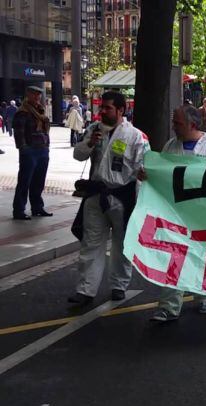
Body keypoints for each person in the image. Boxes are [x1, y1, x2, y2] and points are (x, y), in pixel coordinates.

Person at [68, 91, 149, 305]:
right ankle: (85, 289)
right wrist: (90, 144)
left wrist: (141, 198)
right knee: (91, 242)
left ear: (121, 110)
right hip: (95, 194)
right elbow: (78, 155)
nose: (102, 111)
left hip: (123, 196)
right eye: (101, 107)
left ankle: (119, 285)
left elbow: (143, 168)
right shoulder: (94, 130)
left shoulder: (135, 136)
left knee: (122, 244)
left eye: (108, 108)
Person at [149, 105, 206, 321]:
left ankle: (205, 297)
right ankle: (168, 305)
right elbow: (162, 174)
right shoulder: (170, 147)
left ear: (192, 124)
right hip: (178, 212)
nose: (174, 126)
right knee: (175, 255)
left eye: (178, 123)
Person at [12, 86, 52, 220]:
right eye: (34, 94)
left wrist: (47, 146)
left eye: (38, 95)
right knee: (25, 181)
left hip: (42, 150)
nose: (37, 97)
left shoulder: (40, 110)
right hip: (30, 151)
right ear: (28, 95)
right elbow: (19, 133)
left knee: (39, 181)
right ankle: (19, 210)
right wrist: (23, 148)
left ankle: (37, 207)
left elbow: (45, 131)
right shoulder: (22, 112)